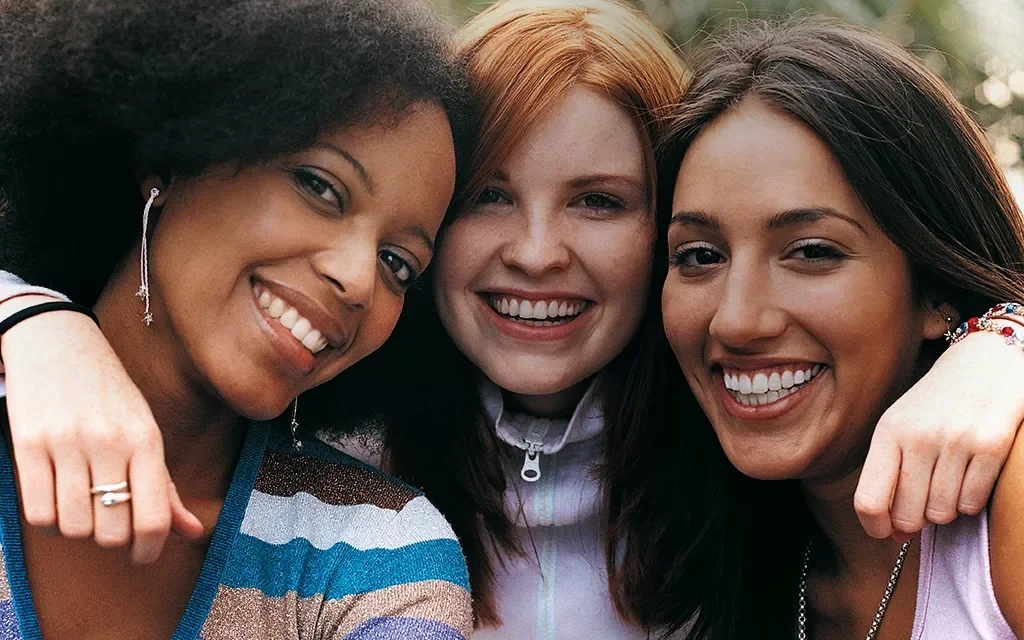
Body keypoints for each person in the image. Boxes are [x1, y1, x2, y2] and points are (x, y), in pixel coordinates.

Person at [4, 1, 1024, 638]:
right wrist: (34, 322)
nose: (538, 251)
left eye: (599, 200)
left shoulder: (736, 461)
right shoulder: (339, 443)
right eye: (487, 196)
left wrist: (1004, 335)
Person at [0, 0, 473, 637]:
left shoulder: (380, 552)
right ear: (172, 156)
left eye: (399, 263)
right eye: (321, 186)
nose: (360, 279)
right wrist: (31, 317)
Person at [659, 17, 1024, 638]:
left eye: (811, 251)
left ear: (935, 286)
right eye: (699, 255)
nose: (738, 319)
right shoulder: (688, 564)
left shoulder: (1009, 504)